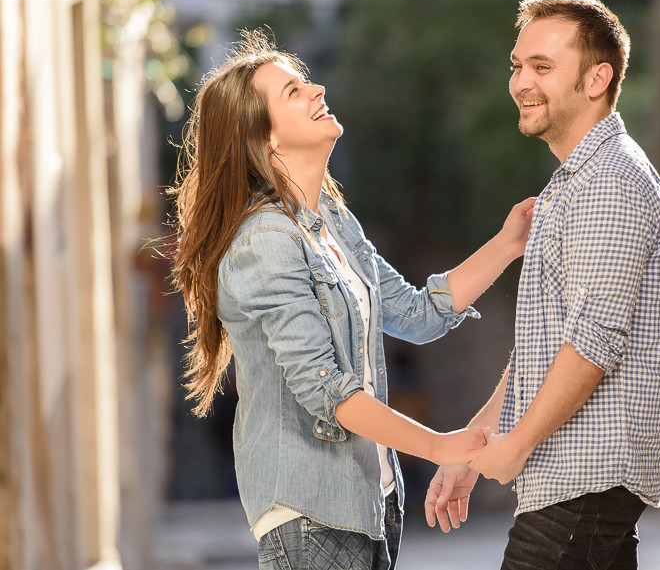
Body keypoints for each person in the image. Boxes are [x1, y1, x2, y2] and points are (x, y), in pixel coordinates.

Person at [170, 30, 535, 570]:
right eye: (292, 93)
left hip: (369, 503)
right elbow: (329, 392)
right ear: (263, 139)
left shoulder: (333, 225)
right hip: (310, 511)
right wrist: (439, 446)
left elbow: (416, 313)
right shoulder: (265, 243)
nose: (317, 90)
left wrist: (509, 243)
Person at [425, 0, 660, 570]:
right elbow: (545, 348)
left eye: (542, 67)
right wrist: (475, 443)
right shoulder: (570, 186)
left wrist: (514, 448)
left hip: (587, 474)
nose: (521, 82)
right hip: (579, 478)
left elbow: (593, 344)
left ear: (598, 79)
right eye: (518, 66)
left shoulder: (609, 182)